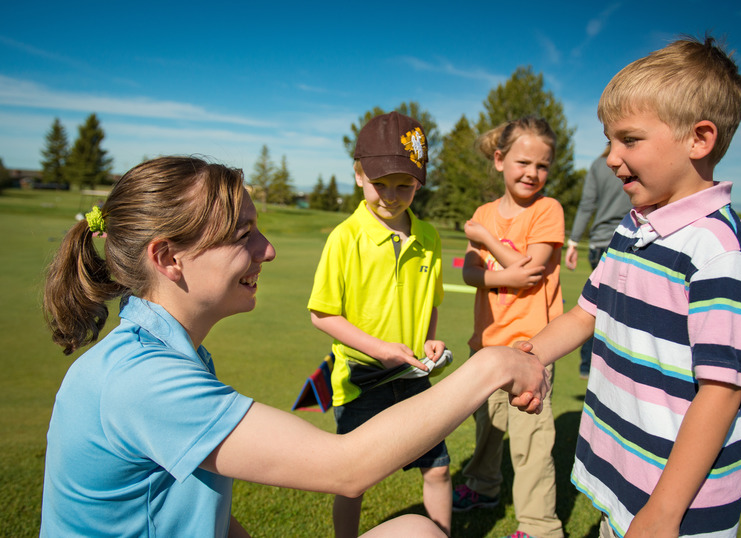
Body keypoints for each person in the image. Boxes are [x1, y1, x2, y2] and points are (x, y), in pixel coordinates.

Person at [39, 155, 551, 538]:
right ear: (169, 258)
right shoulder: (142, 380)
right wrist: (494, 364)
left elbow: (202, 514)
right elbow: (346, 469)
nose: (269, 250)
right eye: (244, 235)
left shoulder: (164, 353)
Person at [494, 37, 741, 537]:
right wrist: (528, 355)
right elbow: (585, 315)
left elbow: (721, 393)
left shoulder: (721, 253)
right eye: (608, 141)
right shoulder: (634, 227)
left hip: (677, 505)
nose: (610, 157)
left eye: (629, 139)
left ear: (699, 139)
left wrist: (663, 514)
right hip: (625, 476)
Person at [308, 112, 453, 537]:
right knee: (352, 482)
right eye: (380, 182)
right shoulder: (345, 237)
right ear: (358, 175)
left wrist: (428, 341)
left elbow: (431, 304)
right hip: (360, 381)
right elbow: (322, 314)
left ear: (420, 182)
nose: (390, 195)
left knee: (439, 471)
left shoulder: (429, 236)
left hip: (412, 377)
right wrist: (379, 348)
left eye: (404, 184)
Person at [454, 116, 565, 538]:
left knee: (531, 439)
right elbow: (469, 274)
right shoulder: (484, 212)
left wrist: (485, 238)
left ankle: (539, 527)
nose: (532, 173)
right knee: (488, 426)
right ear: (499, 160)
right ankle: (483, 488)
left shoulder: (546, 209)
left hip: (531, 347)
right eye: (522, 162)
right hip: (486, 342)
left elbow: (529, 269)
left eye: (542, 166)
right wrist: (502, 272)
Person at [564, 146, 632, 378]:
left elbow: (587, 205)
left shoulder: (597, 164)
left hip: (598, 244)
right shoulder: (635, 163)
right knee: (620, 311)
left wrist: (573, 241)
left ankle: (587, 365)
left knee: (598, 307)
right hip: (628, 241)